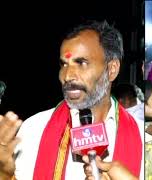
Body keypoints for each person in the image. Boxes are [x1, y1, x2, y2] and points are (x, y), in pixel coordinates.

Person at [0, 21, 143, 180]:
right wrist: (4, 174)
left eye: (81, 63)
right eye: (64, 64)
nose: (67, 76)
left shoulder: (144, 139)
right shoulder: (33, 130)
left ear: (112, 69)